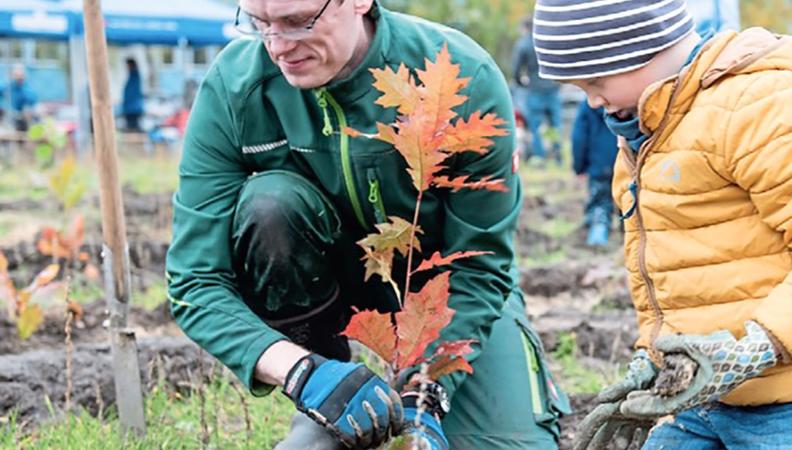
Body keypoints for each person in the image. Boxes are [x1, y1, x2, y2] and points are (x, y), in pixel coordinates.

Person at [166, 1, 569, 449]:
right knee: (269, 205)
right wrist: (303, 373)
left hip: (449, 300)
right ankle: (333, 395)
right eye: (260, 24)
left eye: (299, 22)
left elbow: (479, 265)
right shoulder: (235, 86)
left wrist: (427, 390)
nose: (278, 47)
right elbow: (195, 280)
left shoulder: (460, 75)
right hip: (327, 301)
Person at [532, 1, 792, 449]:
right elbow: (667, 271)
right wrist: (653, 356)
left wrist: (761, 344)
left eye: (595, 81)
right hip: (710, 395)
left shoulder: (756, 106)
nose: (591, 99)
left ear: (640, 48)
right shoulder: (645, 136)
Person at [512, 17, 562, 164]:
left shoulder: (523, 45)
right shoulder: (546, 40)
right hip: (552, 88)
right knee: (554, 125)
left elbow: (516, 69)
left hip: (534, 90)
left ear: (524, 28)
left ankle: (540, 157)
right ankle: (557, 154)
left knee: (536, 126)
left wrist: (520, 83)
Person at [570, 101, 617, 247]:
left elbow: (579, 138)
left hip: (599, 164)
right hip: (625, 160)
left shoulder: (588, 105)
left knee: (599, 202)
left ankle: (598, 236)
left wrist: (579, 167)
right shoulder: (625, 98)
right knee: (629, 202)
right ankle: (628, 239)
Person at [9, 65, 36, 133]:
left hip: (24, 118)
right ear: (13, 76)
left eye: (21, 75)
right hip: (11, 118)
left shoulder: (27, 89)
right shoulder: (8, 88)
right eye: (17, 75)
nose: (19, 78)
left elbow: (31, 102)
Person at [122, 58, 145, 132]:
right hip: (131, 108)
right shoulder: (133, 76)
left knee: (132, 130)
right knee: (132, 129)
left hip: (133, 109)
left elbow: (132, 93)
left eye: (128, 65)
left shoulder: (135, 76)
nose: (127, 67)